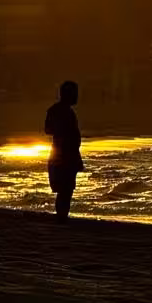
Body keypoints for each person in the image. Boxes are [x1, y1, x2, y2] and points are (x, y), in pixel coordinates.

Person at [44, 79, 83, 221]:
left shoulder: (57, 110)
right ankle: (61, 217)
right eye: (75, 93)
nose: (77, 96)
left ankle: (61, 216)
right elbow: (49, 129)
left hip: (62, 153)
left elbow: (48, 129)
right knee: (65, 189)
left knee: (65, 189)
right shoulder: (63, 111)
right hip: (64, 154)